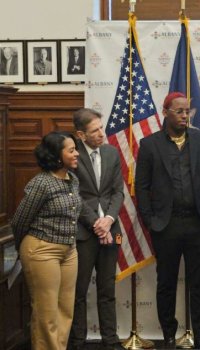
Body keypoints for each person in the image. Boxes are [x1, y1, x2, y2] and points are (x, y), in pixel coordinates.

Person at [135, 92, 200, 349]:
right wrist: (150, 220)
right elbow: (142, 187)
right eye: (179, 112)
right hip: (167, 225)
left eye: (188, 111)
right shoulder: (150, 144)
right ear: (165, 112)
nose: (185, 116)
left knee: (199, 283)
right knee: (166, 283)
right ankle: (169, 337)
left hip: (199, 223)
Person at [11, 131, 81, 349]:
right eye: (71, 150)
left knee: (65, 311)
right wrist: (27, 249)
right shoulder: (41, 183)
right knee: (46, 313)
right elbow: (19, 220)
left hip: (69, 251)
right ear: (56, 156)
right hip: (41, 251)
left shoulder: (73, 179)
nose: (77, 153)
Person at [68, 109, 125, 350]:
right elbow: (75, 196)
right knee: (78, 291)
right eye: (95, 130)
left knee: (107, 288)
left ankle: (110, 341)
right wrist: (96, 224)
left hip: (111, 229)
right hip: (84, 233)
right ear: (81, 135)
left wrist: (109, 219)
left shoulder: (112, 153)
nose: (102, 133)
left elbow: (117, 192)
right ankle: (78, 342)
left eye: (101, 128)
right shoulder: (71, 156)